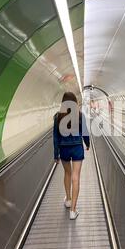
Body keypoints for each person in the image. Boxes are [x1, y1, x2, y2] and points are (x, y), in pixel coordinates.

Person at [53, 92, 90, 220]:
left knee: (67, 173)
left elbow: (55, 137)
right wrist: (87, 143)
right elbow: (85, 133)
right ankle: (73, 210)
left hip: (64, 149)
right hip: (77, 149)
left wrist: (55, 154)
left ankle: (68, 199)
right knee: (76, 176)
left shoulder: (58, 117)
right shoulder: (80, 116)